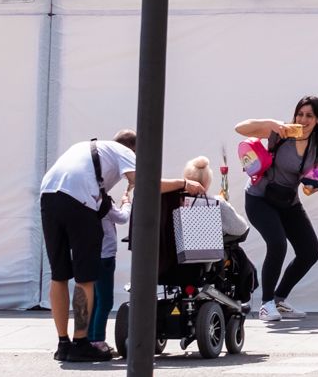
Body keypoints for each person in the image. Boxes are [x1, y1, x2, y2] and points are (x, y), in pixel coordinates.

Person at [40, 131, 202, 363]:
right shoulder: (124, 151)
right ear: (135, 150)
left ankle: (63, 343)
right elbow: (146, 183)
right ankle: (81, 342)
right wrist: (184, 183)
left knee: (59, 275)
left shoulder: (87, 147)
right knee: (85, 278)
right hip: (79, 200)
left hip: (48, 195)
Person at [235, 97, 318, 320]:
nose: (303, 119)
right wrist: (271, 123)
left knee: (310, 252)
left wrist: (313, 183)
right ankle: (266, 304)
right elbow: (240, 128)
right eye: (300, 114)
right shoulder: (281, 133)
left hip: (288, 201)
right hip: (260, 198)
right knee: (277, 243)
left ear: (317, 120)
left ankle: (279, 300)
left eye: (309, 115)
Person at [85, 183, 132, 362]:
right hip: (105, 256)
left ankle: (89, 338)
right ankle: (98, 340)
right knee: (105, 301)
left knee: (94, 299)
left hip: (91, 254)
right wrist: (126, 202)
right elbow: (121, 217)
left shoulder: (86, 201)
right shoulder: (104, 202)